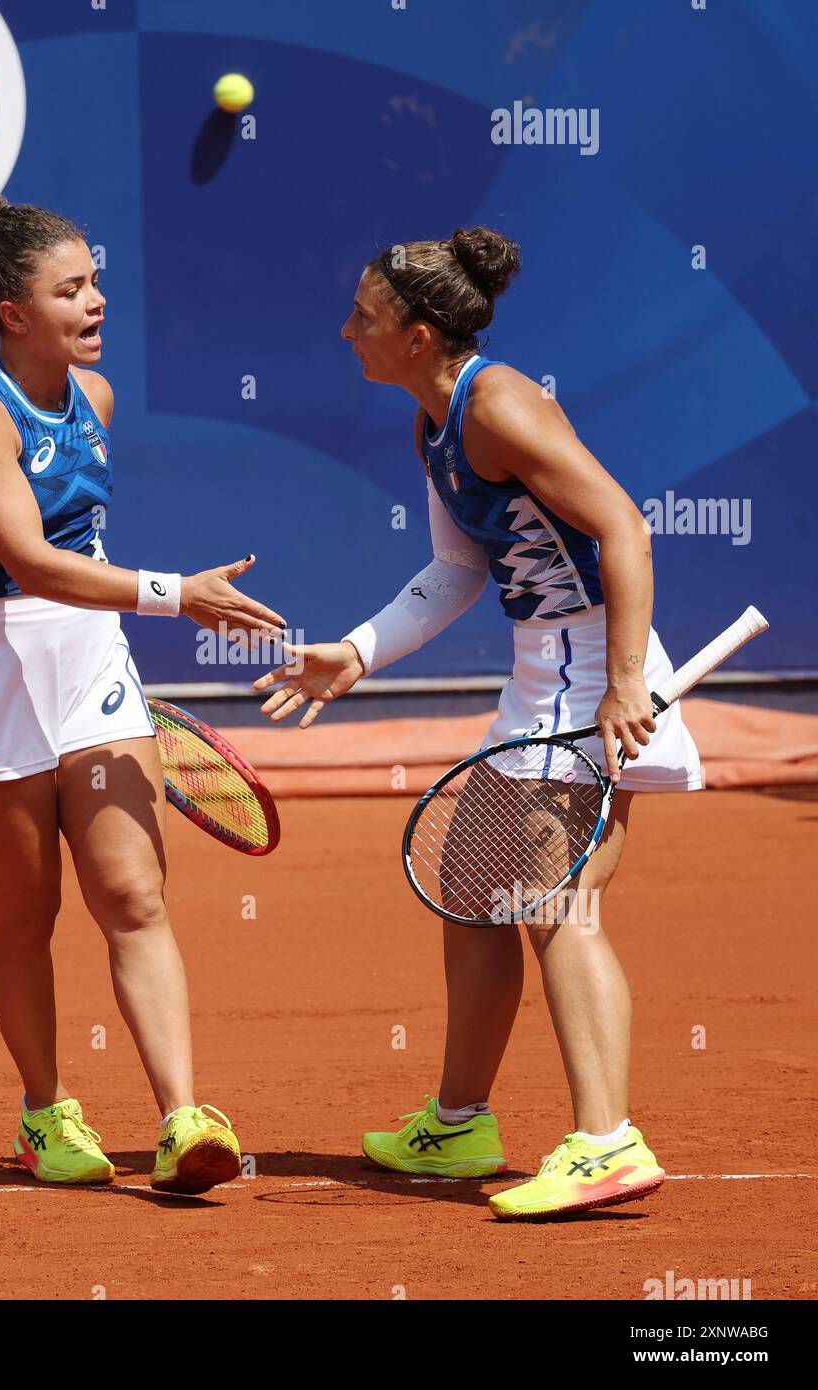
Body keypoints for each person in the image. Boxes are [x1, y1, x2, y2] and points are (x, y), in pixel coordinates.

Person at [253, 227, 701, 1219]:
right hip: (542, 672)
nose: (346, 330)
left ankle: (604, 1140)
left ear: (417, 334)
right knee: (473, 888)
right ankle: (458, 1123)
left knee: (556, 904)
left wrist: (621, 683)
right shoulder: (433, 422)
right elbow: (458, 568)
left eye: (364, 317)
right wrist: (357, 651)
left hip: (587, 672)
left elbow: (621, 525)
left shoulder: (497, 404)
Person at [0, 194, 285, 1194]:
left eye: (94, 281)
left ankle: (181, 1116)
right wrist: (175, 594)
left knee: (133, 895)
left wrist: (145, 605)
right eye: (69, 290)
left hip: (92, 659)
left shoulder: (94, 397)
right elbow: (26, 562)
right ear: (12, 310)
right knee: (26, 912)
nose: (96, 300)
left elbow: (78, 566)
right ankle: (42, 1110)